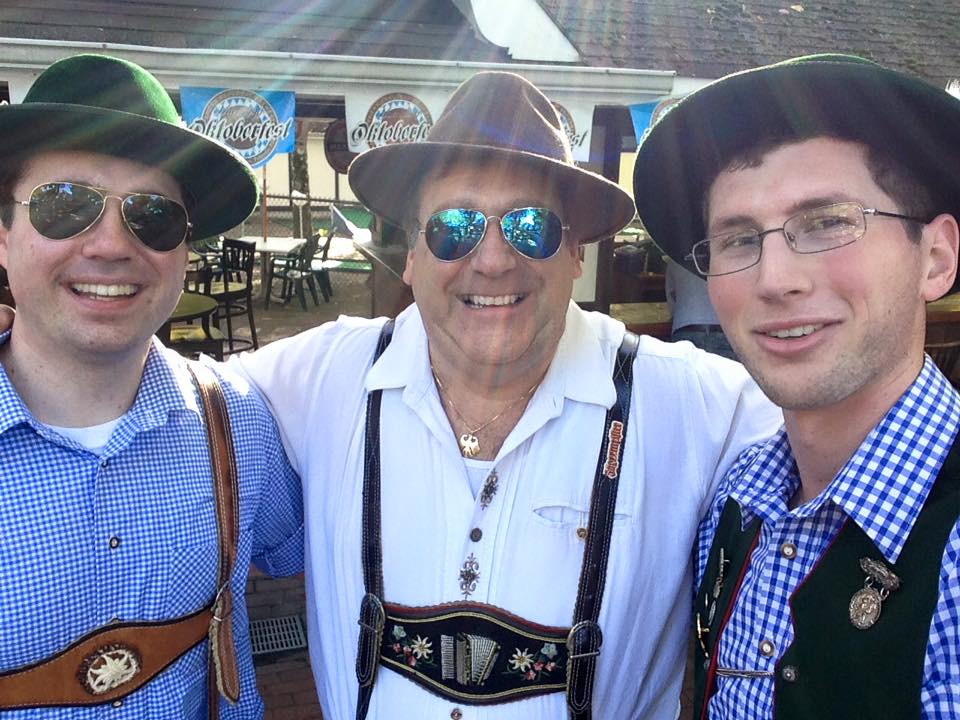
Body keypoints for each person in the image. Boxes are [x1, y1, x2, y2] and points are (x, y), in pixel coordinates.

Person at [237, 71, 780, 719]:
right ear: (411, 254)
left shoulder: (692, 404)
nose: (493, 260)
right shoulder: (323, 376)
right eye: (454, 226)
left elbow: (847, 453)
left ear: (575, 252)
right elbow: (173, 410)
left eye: (530, 226)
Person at [634, 54, 960, 718]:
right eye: (737, 239)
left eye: (828, 222)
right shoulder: (737, 500)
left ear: (935, 258)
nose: (775, 279)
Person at [0, 54, 303, 717]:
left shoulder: (238, 423)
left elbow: (322, 548)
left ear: (183, 250)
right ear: (3, 235)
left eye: (153, 216)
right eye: (66, 205)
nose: (111, 245)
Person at [665, 258, 737, 360]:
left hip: (684, 328)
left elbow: (671, 298)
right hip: (724, 330)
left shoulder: (675, 260)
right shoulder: (728, 257)